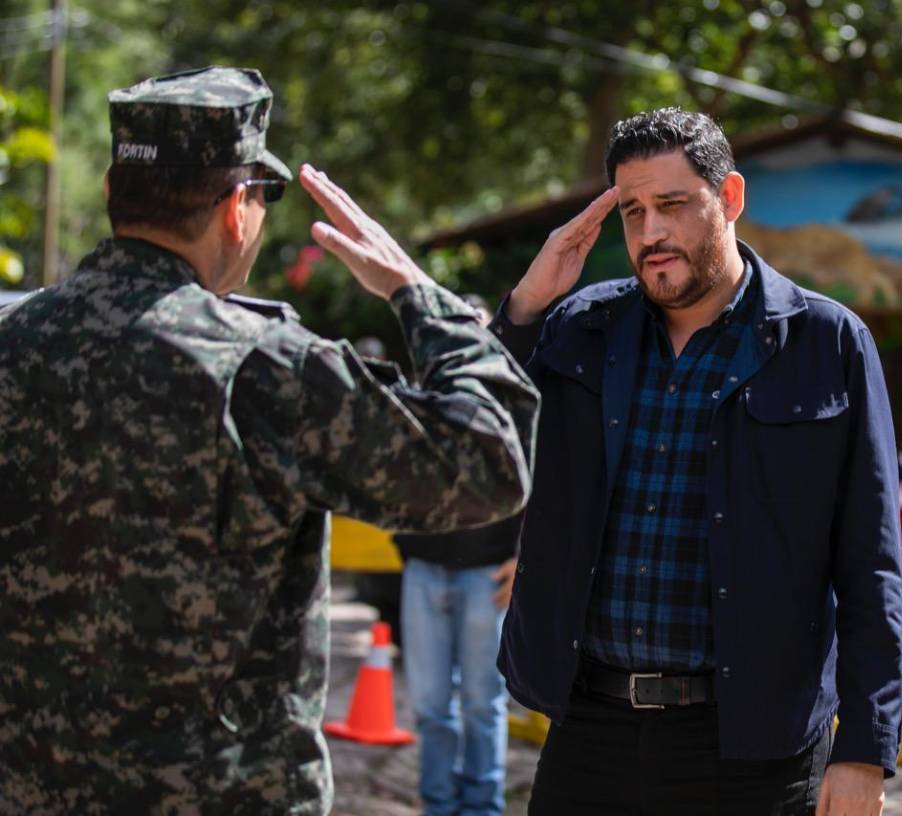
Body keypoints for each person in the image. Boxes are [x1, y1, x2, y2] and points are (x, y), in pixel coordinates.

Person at [0, 66, 538, 815]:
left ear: (112, 191)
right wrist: (416, 294)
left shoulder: (12, 339)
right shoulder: (263, 364)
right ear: (235, 208)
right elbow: (488, 461)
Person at [492, 108, 902, 815]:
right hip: (590, 730)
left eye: (673, 204)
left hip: (754, 748)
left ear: (730, 198)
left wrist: (865, 746)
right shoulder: (580, 328)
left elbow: (871, 562)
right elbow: (480, 434)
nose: (651, 232)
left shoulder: (826, 344)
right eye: (633, 212)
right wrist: (527, 305)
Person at [392, 293, 521, 816]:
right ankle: (438, 806)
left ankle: (482, 807)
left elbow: (545, 484)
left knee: (482, 704)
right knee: (429, 706)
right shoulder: (418, 401)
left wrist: (525, 556)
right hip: (424, 570)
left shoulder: (512, 404)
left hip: (486, 574)